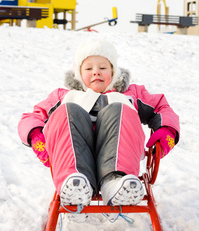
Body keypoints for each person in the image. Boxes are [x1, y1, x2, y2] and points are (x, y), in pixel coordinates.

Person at [18, 38, 180, 207]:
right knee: (68, 111)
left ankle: (116, 181)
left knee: (119, 107)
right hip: (75, 156)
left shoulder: (131, 94)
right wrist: (36, 136)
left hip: (120, 156)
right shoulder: (64, 96)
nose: (96, 72)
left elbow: (162, 107)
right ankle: (75, 182)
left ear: (114, 71)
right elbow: (31, 117)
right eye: (89, 68)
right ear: (79, 74)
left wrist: (167, 130)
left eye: (103, 68)